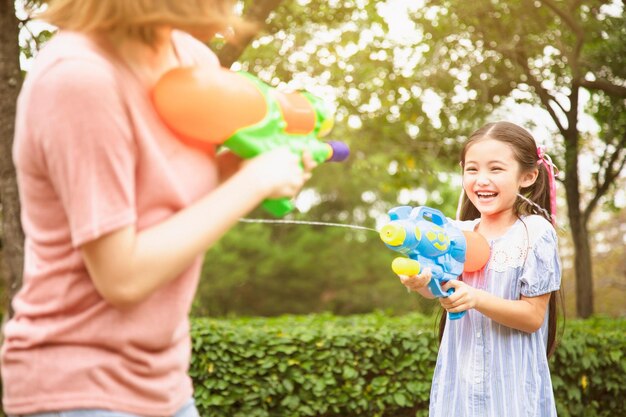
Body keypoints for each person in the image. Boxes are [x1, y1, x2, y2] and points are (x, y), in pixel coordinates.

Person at [1, 1, 317, 416]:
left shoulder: (190, 60)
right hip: (80, 386)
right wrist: (254, 181)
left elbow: (172, 204)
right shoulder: (79, 79)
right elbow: (121, 276)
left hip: (165, 382)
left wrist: (242, 169)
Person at [398, 121, 562, 417]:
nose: (481, 180)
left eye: (495, 169)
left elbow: (533, 317)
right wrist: (418, 280)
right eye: (472, 169)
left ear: (527, 176)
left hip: (511, 390)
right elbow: (436, 286)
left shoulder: (535, 233)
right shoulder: (456, 232)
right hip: (459, 388)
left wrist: (476, 298)